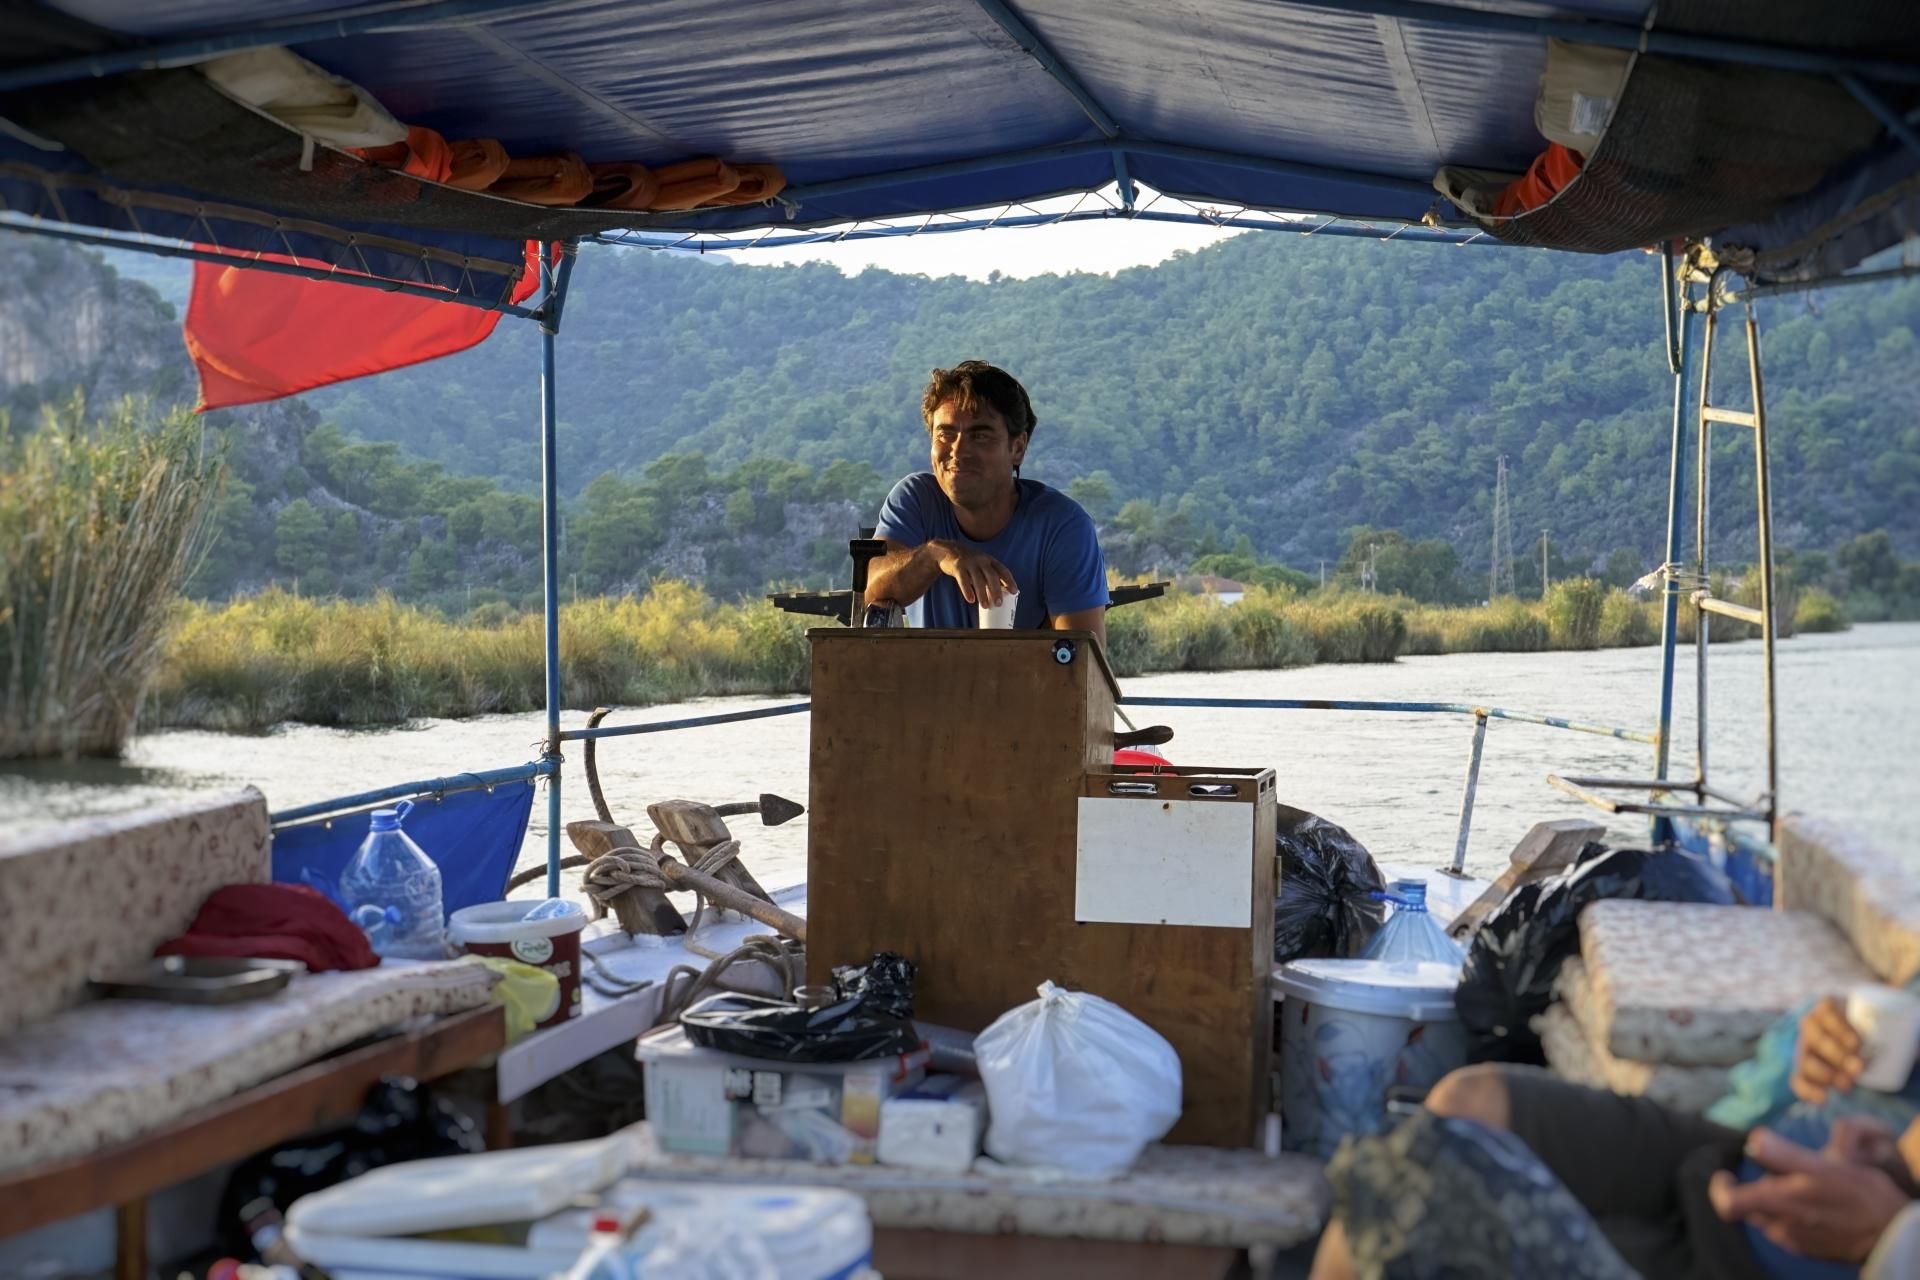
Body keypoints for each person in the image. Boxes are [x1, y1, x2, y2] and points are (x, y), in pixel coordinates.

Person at [1312, 995, 1920, 1280]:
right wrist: (1816, 1039)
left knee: (1421, 1186)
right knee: (1468, 1104)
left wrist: (1889, 1233)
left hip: (1787, 1258)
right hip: (1736, 1159)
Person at [864, 361, 1110, 642]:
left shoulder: (1062, 526)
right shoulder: (916, 500)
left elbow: (1081, 660)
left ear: (1018, 448)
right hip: (926, 673)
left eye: (980, 436)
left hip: (1026, 673)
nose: (958, 450)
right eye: (945, 434)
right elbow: (869, 589)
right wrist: (935, 556)